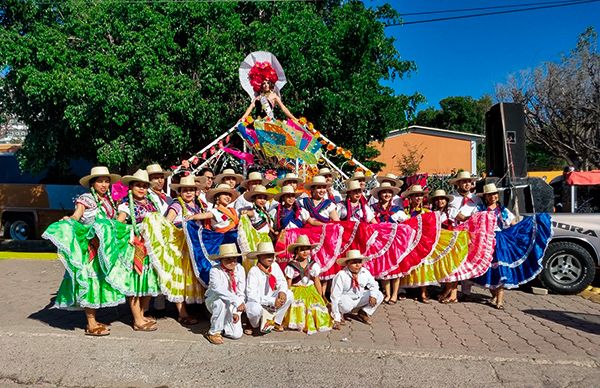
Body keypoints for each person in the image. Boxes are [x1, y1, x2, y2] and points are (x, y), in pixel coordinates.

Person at [42, 166, 125, 336]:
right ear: (92, 184)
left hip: (104, 250)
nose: (104, 184)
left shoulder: (109, 200)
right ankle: (91, 323)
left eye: (106, 181)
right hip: (91, 249)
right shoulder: (85, 199)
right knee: (89, 282)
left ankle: (94, 320)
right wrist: (69, 220)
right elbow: (77, 215)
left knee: (100, 283)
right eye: (100, 181)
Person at [473, 183, 552, 309]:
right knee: (489, 270)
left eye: (494, 194)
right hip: (486, 241)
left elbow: (513, 223)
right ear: (486, 197)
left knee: (501, 271)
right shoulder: (480, 210)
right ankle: (494, 297)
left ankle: (500, 301)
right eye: (490, 195)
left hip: (501, 242)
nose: (493, 197)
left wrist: (517, 232)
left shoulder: (503, 211)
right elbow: (474, 223)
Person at [110, 169, 162, 332]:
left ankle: (141, 313)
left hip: (150, 248)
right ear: (130, 187)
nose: (141, 189)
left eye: (144, 186)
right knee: (134, 283)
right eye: (138, 185)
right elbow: (118, 226)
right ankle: (137, 320)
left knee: (147, 281)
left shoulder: (151, 202)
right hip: (135, 248)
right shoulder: (126, 205)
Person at [157, 175, 205, 325]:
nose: (188, 193)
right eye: (185, 190)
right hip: (180, 248)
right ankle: (182, 313)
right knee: (180, 278)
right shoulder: (177, 205)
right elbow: (166, 224)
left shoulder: (197, 206)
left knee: (190, 278)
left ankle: (191, 309)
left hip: (192, 247)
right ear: (180, 192)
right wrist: (180, 230)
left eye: (191, 190)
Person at [283, 235, 332, 334]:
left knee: (315, 305)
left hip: (310, 289)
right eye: (302, 250)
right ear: (296, 251)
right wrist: (287, 294)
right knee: (299, 304)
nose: (305, 252)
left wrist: (321, 295)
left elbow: (317, 281)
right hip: (296, 289)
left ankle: (314, 322)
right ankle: (298, 322)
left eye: (307, 249)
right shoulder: (291, 266)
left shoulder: (313, 265)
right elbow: (288, 282)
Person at [369, 182, 406, 304]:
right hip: (380, 243)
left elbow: (406, 223)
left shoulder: (397, 210)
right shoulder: (373, 208)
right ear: (379, 194)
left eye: (389, 192)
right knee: (383, 266)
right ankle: (387, 293)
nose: (387, 194)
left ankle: (395, 294)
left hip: (395, 242)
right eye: (384, 192)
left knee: (395, 268)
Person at [244, 242, 293, 335]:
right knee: (254, 309)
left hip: (270, 299)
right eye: (267, 256)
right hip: (258, 301)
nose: (270, 258)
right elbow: (252, 295)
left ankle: (276, 321)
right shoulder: (254, 271)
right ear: (259, 257)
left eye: (271, 255)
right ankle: (253, 323)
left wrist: (282, 291)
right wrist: (271, 301)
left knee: (289, 294)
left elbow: (281, 280)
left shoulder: (274, 266)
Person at [330, 250, 383, 330]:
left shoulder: (365, 272)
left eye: (359, 262)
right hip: (345, 299)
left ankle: (364, 312)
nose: (358, 265)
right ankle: (340, 314)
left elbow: (374, 284)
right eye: (354, 262)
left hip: (359, 297)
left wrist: (373, 295)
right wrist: (336, 318)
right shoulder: (341, 275)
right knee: (346, 306)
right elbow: (335, 296)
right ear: (347, 263)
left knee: (379, 295)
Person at [204, 244, 246, 345]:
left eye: (234, 259)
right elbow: (218, 289)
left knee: (236, 334)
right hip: (215, 300)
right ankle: (213, 332)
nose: (232, 262)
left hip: (232, 304)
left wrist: (236, 312)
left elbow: (241, 291)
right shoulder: (215, 271)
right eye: (228, 259)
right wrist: (237, 301)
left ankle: (222, 324)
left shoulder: (240, 269)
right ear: (221, 260)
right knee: (220, 302)